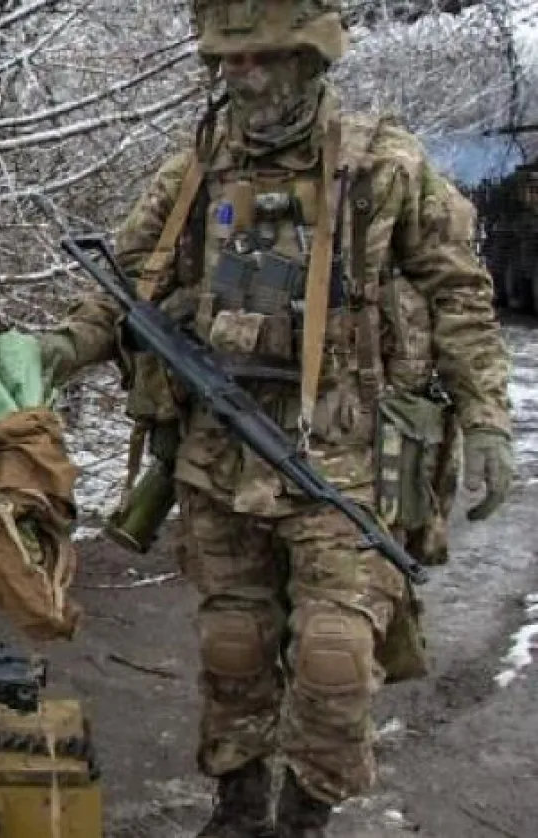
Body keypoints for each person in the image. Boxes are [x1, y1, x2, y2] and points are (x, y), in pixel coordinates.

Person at [32, 2, 515, 835]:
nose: (241, 78)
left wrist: (487, 419)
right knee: (234, 647)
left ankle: (305, 815)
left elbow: (459, 293)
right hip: (221, 455)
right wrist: (56, 353)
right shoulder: (197, 167)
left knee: (333, 657)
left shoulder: (383, 166)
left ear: (309, 59)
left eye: (260, 61)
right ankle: (239, 803)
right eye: (228, 63)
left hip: (346, 459)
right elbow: (126, 283)